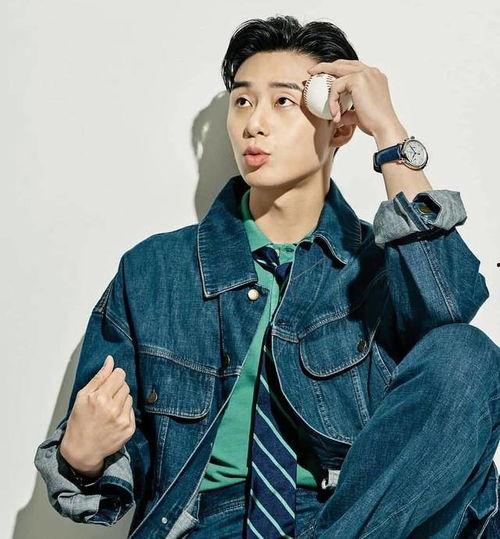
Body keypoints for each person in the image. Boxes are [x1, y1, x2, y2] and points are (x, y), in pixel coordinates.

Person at [34, 15, 500, 538]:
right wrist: (82, 458)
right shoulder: (154, 273)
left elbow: (449, 311)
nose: (254, 123)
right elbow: (104, 478)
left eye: (282, 101)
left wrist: (390, 134)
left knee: (468, 353)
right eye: (242, 100)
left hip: (354, 516)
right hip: (212, 524)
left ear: (340, 125)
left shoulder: (381, 268)